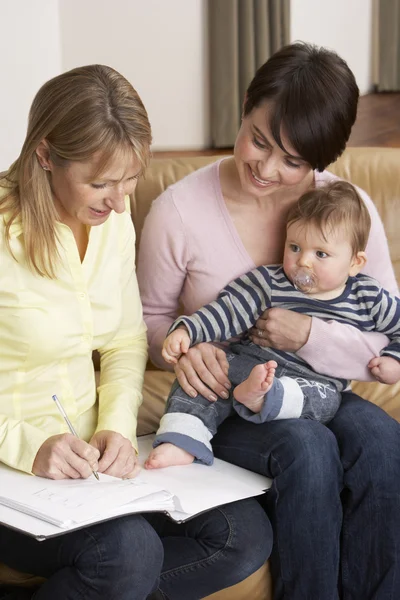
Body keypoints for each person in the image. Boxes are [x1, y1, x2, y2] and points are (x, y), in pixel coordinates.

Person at [138, 42, 400, 599]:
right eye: (259, 140)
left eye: (294, 160)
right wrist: (187, 349)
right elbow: (149, 318)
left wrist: (309, 334)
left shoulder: (348, 213)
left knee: (380, 441)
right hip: (227, 396)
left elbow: (383, 332)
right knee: (307, 449)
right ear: (245, 106)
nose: (266, 167)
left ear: (321, 161)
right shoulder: (178, 211)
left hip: (318, 388)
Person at [0, 65, 272, 600]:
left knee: (242, 535)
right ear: (45, 155)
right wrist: (28, 446)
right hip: (14, 468)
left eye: (130, 181)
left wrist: (118, 428)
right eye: (100, 183)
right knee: (127, 554)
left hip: (88, 465)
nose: (121, 202)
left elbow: (125, 341)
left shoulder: (111, 221)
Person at [144, 180, 400, 468]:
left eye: (321, 254)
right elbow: (227, 311)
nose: (303, 262)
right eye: (294, 247)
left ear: (355, 263)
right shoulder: (270, 282)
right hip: (250, 365)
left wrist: (393, 360)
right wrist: (188, 330)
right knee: (204, 376)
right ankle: (181, 438)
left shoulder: (368, 297)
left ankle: (265, 398)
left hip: (313, 383)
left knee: (328, 401)